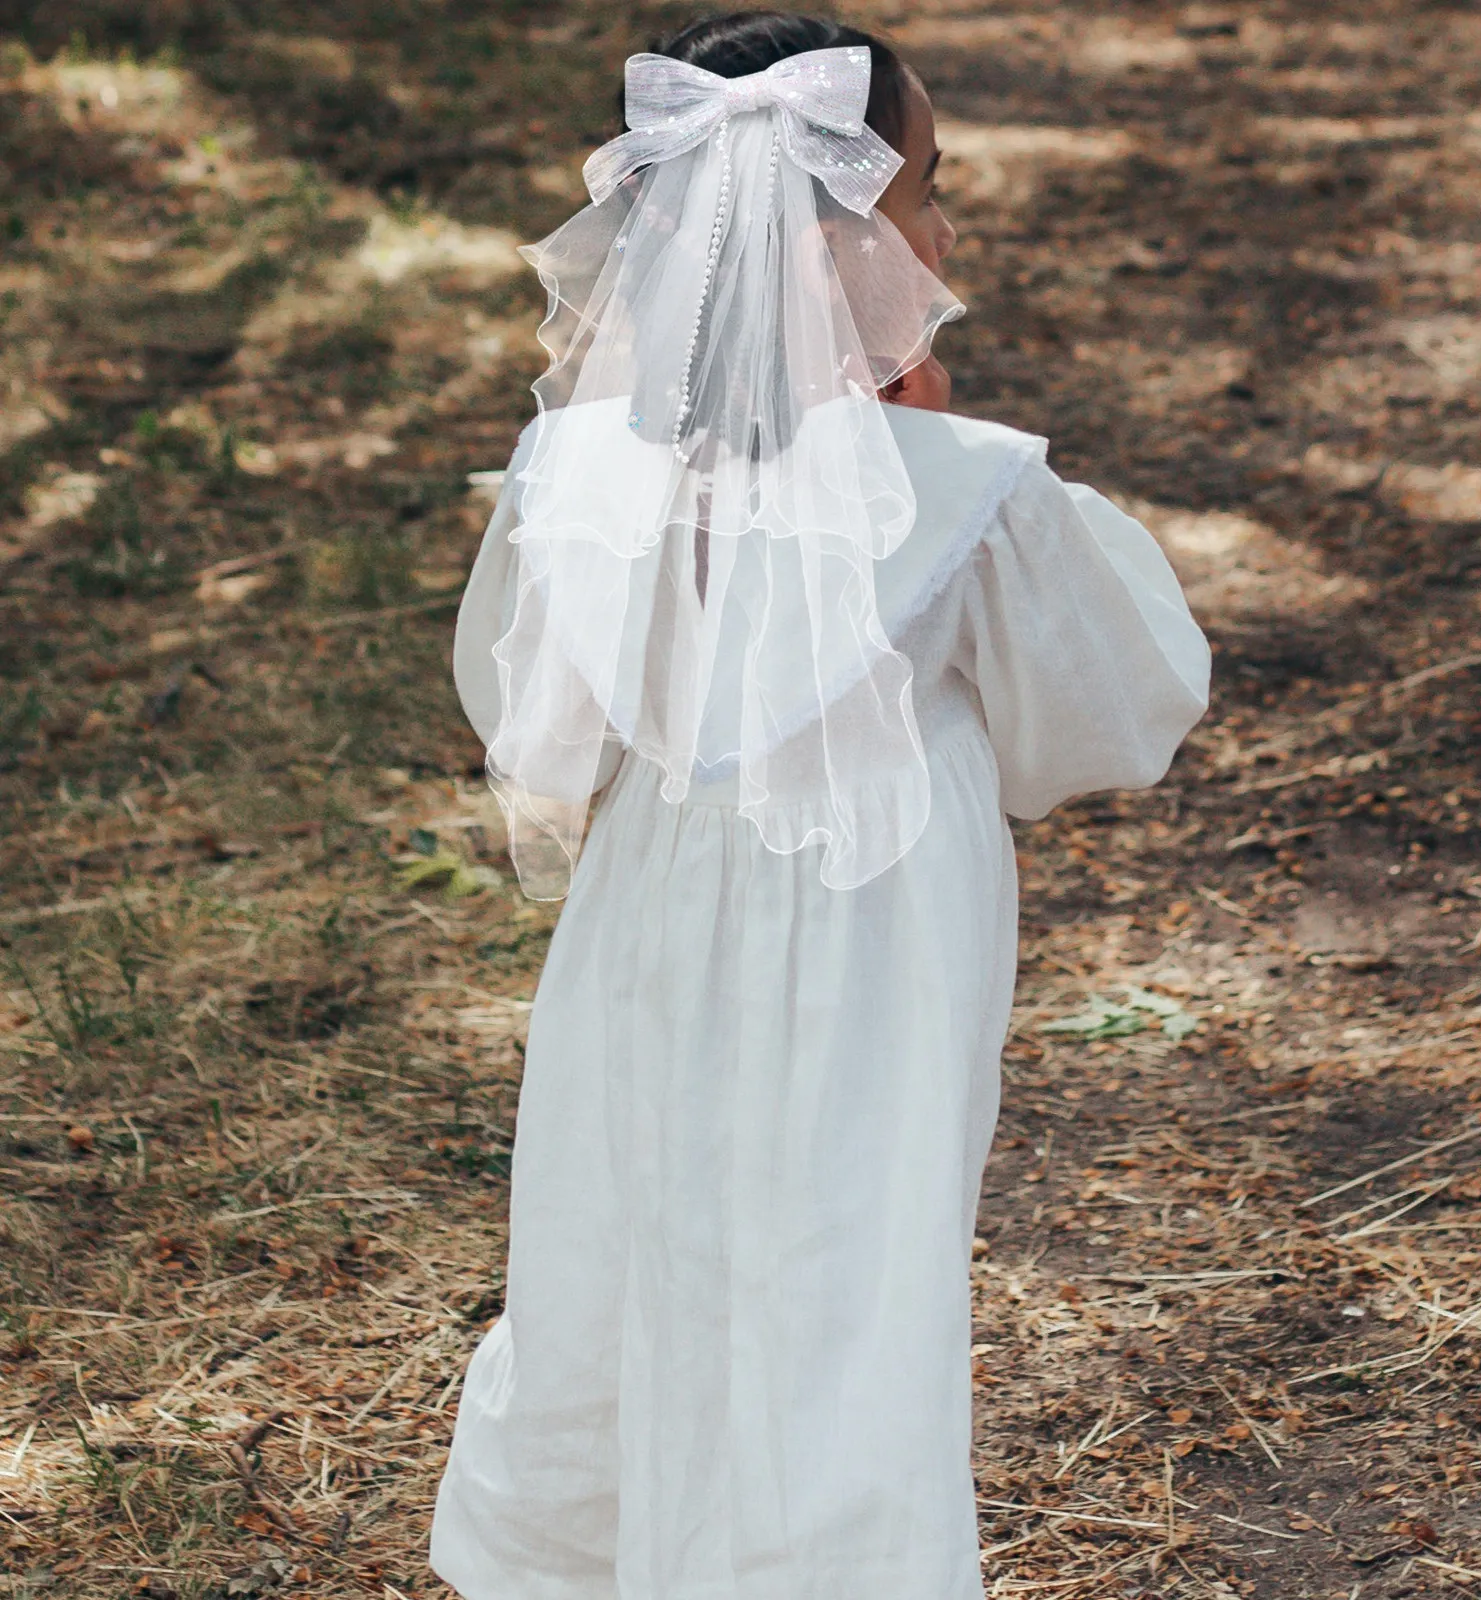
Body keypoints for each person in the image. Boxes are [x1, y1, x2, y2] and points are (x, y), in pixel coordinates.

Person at [432, 13, 1210, 1599]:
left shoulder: (571, 475)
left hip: (650, 915)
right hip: (881, 933)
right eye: (926, 192)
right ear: (834, 241)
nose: (946, 236)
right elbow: (1111, 717)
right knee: (848, 1265)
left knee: (635, 1220)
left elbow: (533, 723)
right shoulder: (970, 490)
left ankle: (612, 1553)